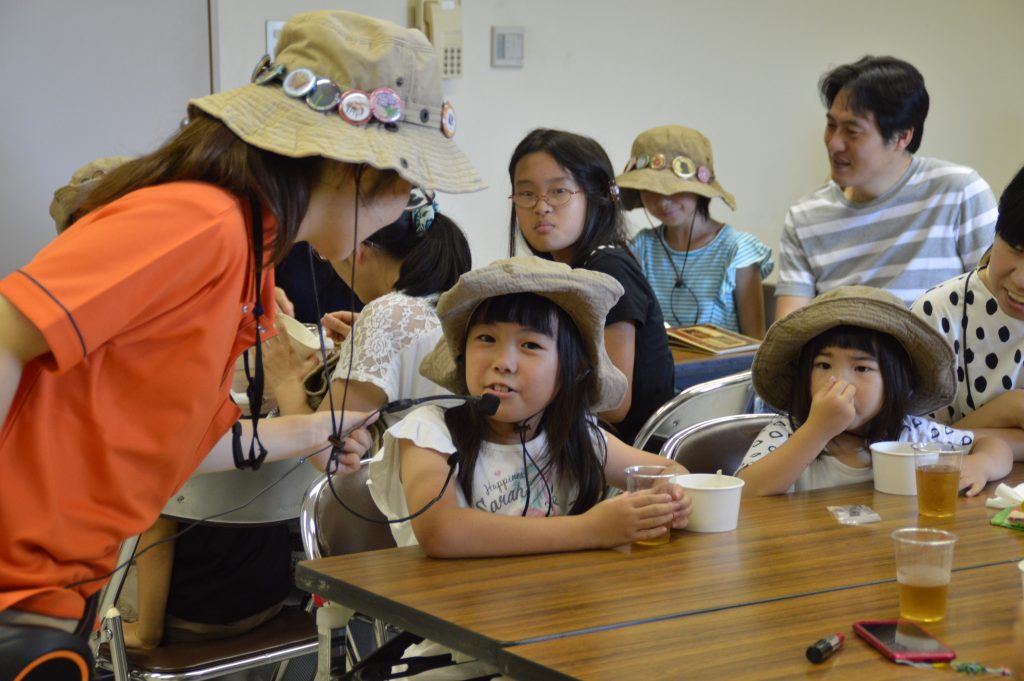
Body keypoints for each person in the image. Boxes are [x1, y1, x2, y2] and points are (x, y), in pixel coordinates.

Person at [0, 9, 483, 643]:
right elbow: (9, 333)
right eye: (412, 190)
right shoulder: (201, 223)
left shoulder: (245, 255)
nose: (404, 210)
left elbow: (181, 446)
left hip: (55, 590)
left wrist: (318, 427)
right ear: (352, 169)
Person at [369, 256, 692, 552]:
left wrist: (671, 499)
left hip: (549, 607)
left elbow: (668, 471)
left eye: (530, 344)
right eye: (486, 339)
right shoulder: (430, 433)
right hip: (445, 609)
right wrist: (591, 529)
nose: (504, 362)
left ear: (572, 370)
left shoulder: (575, 435)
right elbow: (441, 532)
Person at [775, 55, 997, 319]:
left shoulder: (959, 192)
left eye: (852, 131)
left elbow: (993, 303)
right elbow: (790, 331)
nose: (834, 143)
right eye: (831, 125)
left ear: (903, 136)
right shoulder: (805, 217)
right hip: (845, 357)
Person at [736, 286, 1011, 496]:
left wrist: (983, 464)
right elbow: (746, 492)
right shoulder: (788, 432)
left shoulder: (912, 434)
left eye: (862, 368)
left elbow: (993, 445)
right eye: (823, 365)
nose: (838, 381)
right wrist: (818, 430)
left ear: (894, 383)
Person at [507, 129, 674, 445]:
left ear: (597, 195)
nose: (541, 206)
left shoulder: (607, 269)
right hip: (584, 444)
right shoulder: (565, 271)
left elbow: (613, 403)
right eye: (526, 193)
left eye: (558, 192)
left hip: (627, 459)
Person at [266, 192, 471, 422]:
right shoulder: (445, 302)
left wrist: (285, 381)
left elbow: (328, 451)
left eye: (323, 254)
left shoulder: (385, 313)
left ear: (357, 248)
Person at [911, 164, 1024, 461]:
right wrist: (1011, 410)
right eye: (1015, 248)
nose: (1020, 280)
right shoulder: (936, 315)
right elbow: (913, 444)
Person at [616, 125, 773, 337]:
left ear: (700, 189)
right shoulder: (640, 248)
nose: (663, 201)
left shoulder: (737, 251)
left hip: (724, 370)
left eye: (674, 188)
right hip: (655, 369)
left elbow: (756, 343)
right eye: (650, 189)